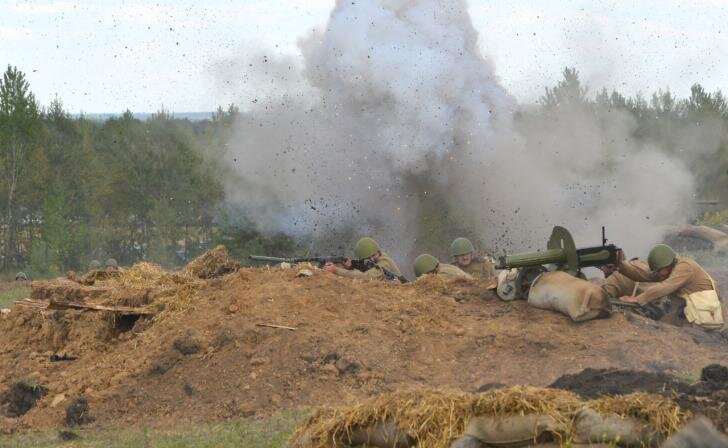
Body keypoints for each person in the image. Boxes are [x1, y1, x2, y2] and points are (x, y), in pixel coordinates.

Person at [617, 244, 724, 329]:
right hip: (690, 312)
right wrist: (622, 267)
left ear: (668, 264)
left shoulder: (685, 267)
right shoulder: (669, 269)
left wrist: (637, 299)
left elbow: (665, 286)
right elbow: (646, 275)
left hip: (704, 316)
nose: (658, 274)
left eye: (659, 270)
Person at [323, 237, 403, 281]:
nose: (372, 259)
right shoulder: (378, 258)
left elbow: (366, 277)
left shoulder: (384, 262)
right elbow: (366, 269)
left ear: (378, 251)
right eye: (368, 258)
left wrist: (337, 270)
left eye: (374, 255)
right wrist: (351, 267)